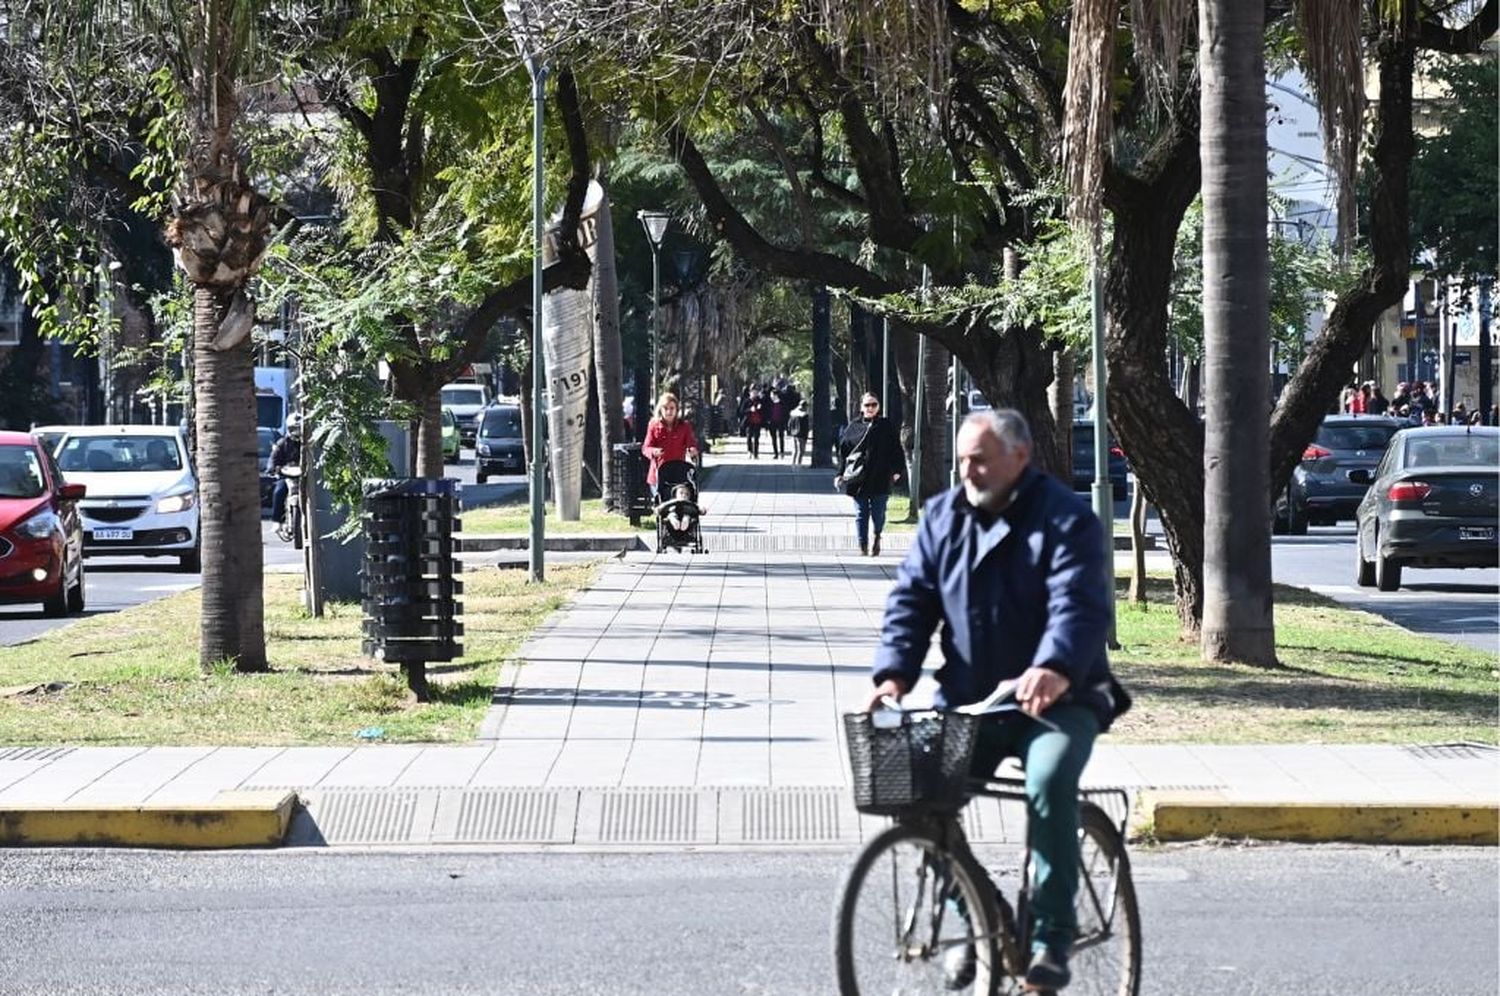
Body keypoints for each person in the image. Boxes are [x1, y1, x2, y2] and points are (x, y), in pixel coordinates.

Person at [863, 408, 1128, 992]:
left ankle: (1050, 941)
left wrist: (1055, 667)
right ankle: (977, 916)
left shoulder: (1065, 518)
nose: (969, 470)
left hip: (1060, 700)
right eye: (962, 460)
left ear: (1020, 457)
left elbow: (1079, 603)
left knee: (1050, 783)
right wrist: (893, 675)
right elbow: (911, 601)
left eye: (980, 459)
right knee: (917, 796)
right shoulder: (942, 517)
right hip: (973, 701)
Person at [836, 393, 903, 556]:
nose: (870, 408)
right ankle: (862, 544)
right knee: (861, 513)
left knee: (878, 512)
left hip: (881, 476)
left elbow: (896, 449)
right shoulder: (853, 427)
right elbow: (843, 453)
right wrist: (840, 473)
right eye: (867, 405)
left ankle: (877, 535)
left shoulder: (886, 425)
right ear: (861, 407)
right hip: (858, 478)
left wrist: (897, 470)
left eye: (874, 405)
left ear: (878, 407)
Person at [640, 392, 700, 498]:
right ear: (660, 410)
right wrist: (654, 451)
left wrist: (692, 450)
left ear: (677, 409)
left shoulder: (684, 426)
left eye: (672, 408)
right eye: (665, 408)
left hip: (678, 473)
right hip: (658, 474)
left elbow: (691, 443)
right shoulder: (654, 426)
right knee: (661, 504)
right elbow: (646, 448)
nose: (669, 411)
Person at [267, 415, 302, 526]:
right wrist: (272, 468)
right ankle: (277, 520)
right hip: (286, 475)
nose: (295, 432)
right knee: (279, 491)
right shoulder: (282, 443)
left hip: (303, 476)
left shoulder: (307, 444)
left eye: (298, 429)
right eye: (293, 429)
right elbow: (273, 458)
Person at [742, 387, 766, 458]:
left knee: (756, 438)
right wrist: (749, 410)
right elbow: (741, 411)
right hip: (749, 422)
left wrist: (760, 408)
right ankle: (749, 451)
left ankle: (756, 453)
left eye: (756, 393)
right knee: (749, 437)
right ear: (750, 393)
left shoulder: (760, 401)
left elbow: (764, 411)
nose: (754, 394)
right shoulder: (746, 401)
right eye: (753, 393)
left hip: (757, 422)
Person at [787, 398, 810, 465]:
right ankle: (799, 463)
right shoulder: (804, 415)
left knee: (795, 450)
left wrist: (789, 432)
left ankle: (793, 462)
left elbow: (789, 424)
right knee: (801, 450)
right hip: (801, 434)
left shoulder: (793, 414)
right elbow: (806, 426)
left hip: (793, 434)